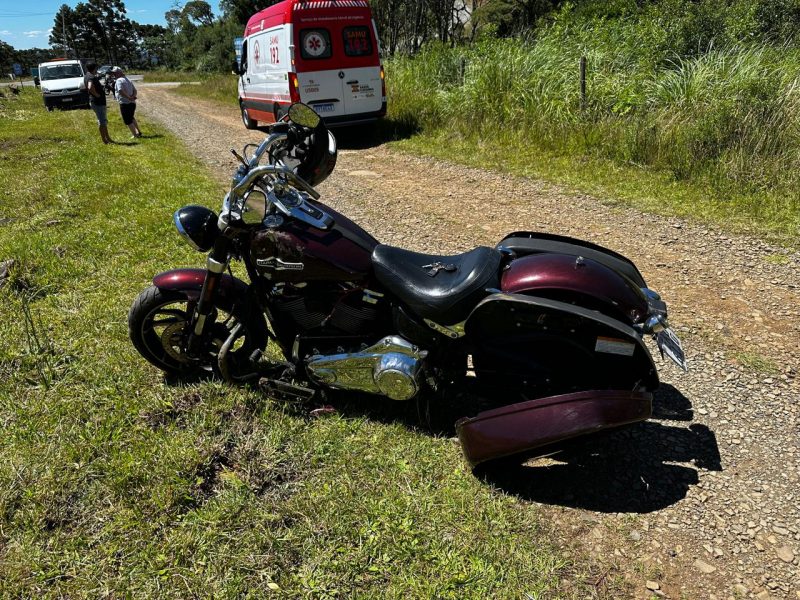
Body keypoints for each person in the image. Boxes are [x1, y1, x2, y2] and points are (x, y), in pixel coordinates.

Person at [84, 62, 113, 144]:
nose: (97, 70)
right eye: (96, 68)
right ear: (94, 69)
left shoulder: (87, 75)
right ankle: (104, 140)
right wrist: (97, 95)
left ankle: (108, 138)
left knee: (103, 121)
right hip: (97, 102)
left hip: (97, 102)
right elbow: (90, 87)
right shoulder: (91, 77)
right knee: (102, 121)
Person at [112, 66, 141, 138]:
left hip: (125, 103)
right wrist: (132, 97)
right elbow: (135, 91)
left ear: (119, 73)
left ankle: (135, 135)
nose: (114, 75)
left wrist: (129, 98)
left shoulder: (119, 80)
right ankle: (138, 132)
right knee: (131, 117)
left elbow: (120, 91)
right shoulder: (128, 79)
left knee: (127, 120)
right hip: (132, 103)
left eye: (115, 73)